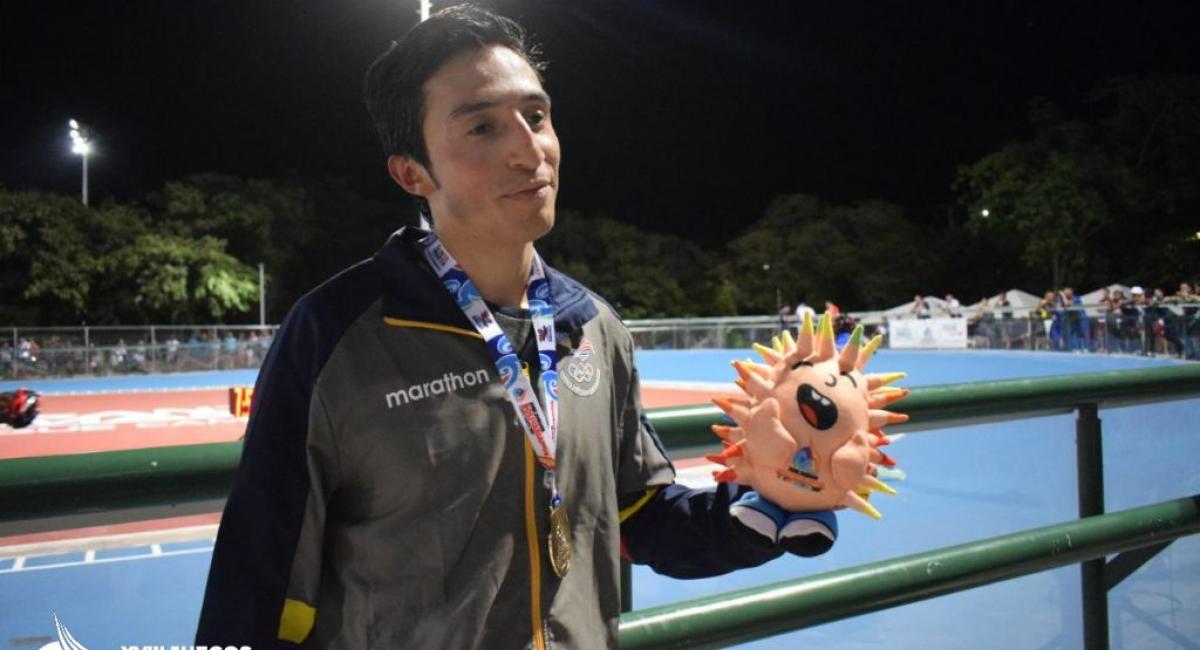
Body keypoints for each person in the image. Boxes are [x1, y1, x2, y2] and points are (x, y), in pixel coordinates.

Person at [195, 6, 833, 648]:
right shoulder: (333, 335)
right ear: (413, 172)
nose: (530, 151)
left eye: (536, 116)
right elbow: (259, 586)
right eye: (482, 127)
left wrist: (769, 506)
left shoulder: (593, 327)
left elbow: (638, 516)